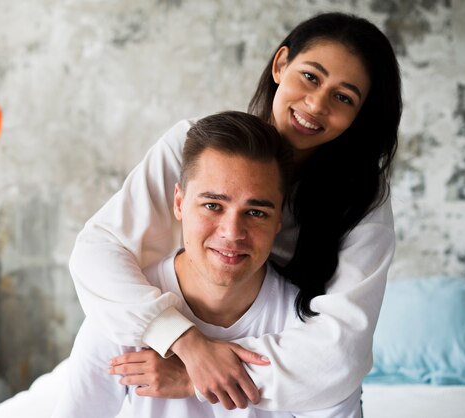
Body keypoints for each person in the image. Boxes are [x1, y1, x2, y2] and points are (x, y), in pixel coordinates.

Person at [69, 12, 401, 411]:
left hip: (276, 356)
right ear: (281, 64)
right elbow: (99, 251)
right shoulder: (194, 144)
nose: (316, 104)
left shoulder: (361, 201)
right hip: (165, 329)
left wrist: (197, 375)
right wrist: (184, 342)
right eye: (310, 77)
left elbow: (339, 352)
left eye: (343, 97)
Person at [53, 111, 362, 418]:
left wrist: (192, 379)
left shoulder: (310, 328)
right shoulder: (122, 309)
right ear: (179, 202)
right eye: (213, 206)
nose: (232, 233)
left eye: (256, 212)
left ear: (279, 218)